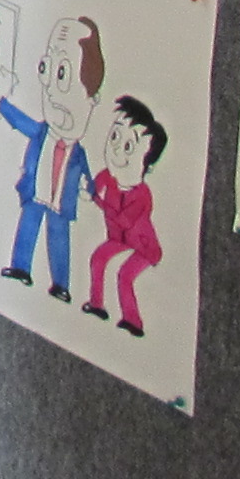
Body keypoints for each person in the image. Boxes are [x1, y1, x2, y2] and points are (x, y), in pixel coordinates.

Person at [0, 18, 106, 300]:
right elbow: (20, 122)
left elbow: (87, 175)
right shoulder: (42, 133)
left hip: (60, 201)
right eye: (47, 69)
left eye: (62, 74)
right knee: (28, 226)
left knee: (58, 237)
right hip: (36, 192)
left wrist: (91, 190)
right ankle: (20, 267)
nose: (51, 90)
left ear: (92, 99)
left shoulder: (78, 153)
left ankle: (61, 284)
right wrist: (1, 103)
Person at [84, 96, 171, 336]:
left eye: (128, 147)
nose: (116, 150)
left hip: (144, 247)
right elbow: (94, 185)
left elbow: (123, 219)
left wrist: (98, 200)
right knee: (98, 258)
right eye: (114, 137)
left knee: (125, 275)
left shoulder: (141, 196)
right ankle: (97, 304)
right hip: (119, 239)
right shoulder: (109, 177)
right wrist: (88, 190)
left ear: (148, 165)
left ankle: (133, 321)